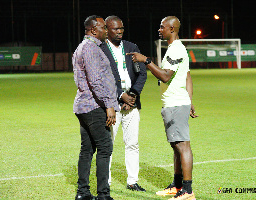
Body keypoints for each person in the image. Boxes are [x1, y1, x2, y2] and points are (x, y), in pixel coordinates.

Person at [127, 16, 198, 200]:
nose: (159, 30)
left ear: (172, 28)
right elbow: (187, 76)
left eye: (162, 27)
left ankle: (188, 190)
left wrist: (146, 60)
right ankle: (177, 185)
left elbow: (166, 76)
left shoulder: (176, 49)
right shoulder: (175, 48)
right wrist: (189, 101)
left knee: (182, 145)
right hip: (175, 102)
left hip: (175, 103)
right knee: (176, 146)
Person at [73, 15, 119, 200]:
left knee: (87, 149)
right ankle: (103, 195)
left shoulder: (82, 47)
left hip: (84, 106)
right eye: (103, 27)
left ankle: (83, 192)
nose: (106, 30)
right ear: (93, 29)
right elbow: (96, 81)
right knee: (105, 147)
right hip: (94, 106)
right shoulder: (90, 48)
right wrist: (109, 105)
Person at [100, 15, 147, 192]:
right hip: (112, 105)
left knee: (132, 143)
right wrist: (121, 96)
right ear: (106, 29)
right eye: (115, 29)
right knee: (108, 145)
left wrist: (132, 95)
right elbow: (102, 79)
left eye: (121, 28)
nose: (119, 31)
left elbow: (142, 74)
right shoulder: (101, 49)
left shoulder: (131, 47)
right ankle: (107, 182)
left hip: (132, 104)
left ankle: (132, 181)